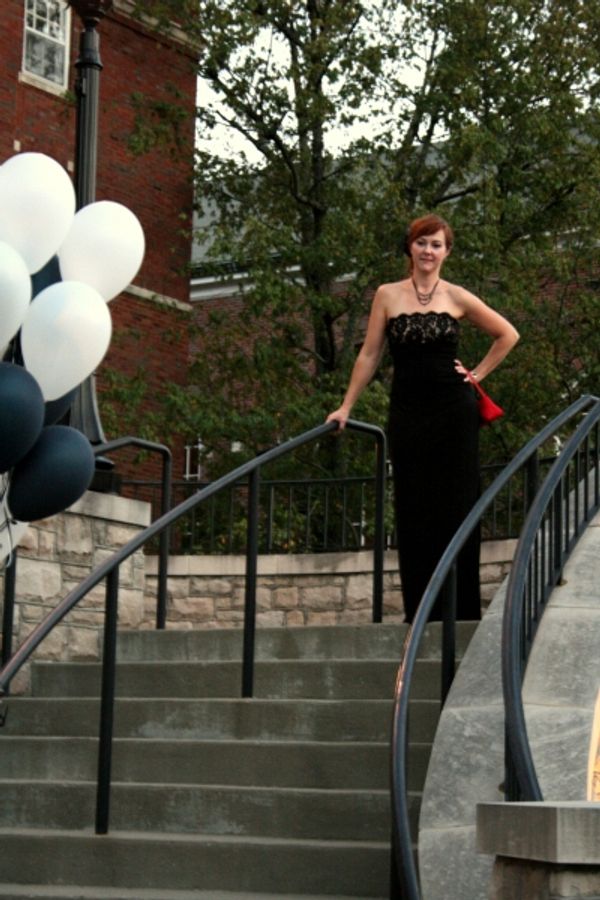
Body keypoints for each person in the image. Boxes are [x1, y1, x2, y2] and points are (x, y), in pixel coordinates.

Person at [326, 214, 519, 622]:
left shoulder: (458, 296)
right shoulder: (387, 295)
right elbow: (369, 354)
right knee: (414, 506)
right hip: (408, 411)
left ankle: (462, 612)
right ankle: (422, 612)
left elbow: (508, 334)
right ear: (409, 248)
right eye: (421, 243)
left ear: (447, 251)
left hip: (454, 410)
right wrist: (346, 406)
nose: (428, 251)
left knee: (457, 505)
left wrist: (477, 374)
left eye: (436, 244)